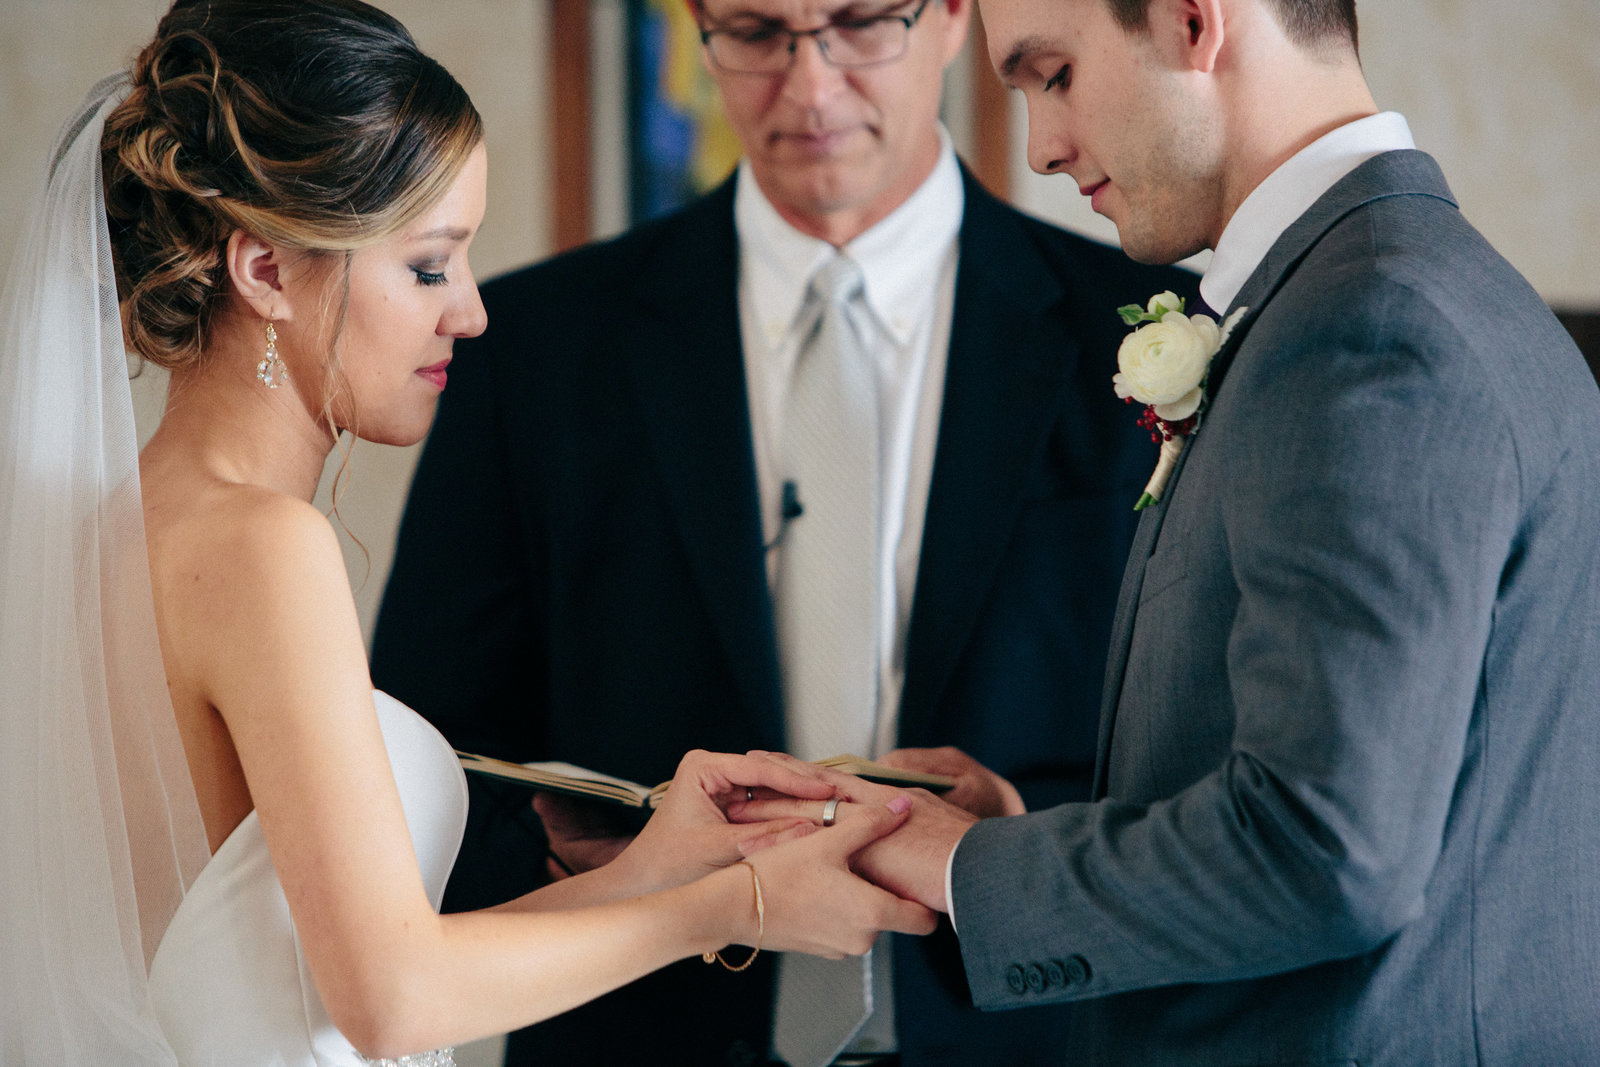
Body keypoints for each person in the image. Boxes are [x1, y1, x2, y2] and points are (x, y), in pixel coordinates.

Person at [0, 2, 938, 1064]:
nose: (473, 313)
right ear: (265, 271)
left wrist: (655, 867)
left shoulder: (113, 533)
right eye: (431, 265)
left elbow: (335, 976)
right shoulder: (264, 547)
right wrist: (738, 906)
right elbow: (393, 1002)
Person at [749, 0, 1600, 1062]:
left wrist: (969, 867)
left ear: (1195, 20)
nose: (1041, 147)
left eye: (1052, 75)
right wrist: (1013, 834)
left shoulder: (1369, 329)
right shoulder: (1402, 291)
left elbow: (1325, 851)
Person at [371, 0, 1196, 1062]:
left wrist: (1023, 833)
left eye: (858, 24)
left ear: (952, 17)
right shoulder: (530, 346)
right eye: (756, 33)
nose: (808, 88)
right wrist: (595, 873)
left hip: (1036, 1029)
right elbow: (430, 752)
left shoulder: (1162, 332)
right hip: (648, 1035)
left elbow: (1219, 766)